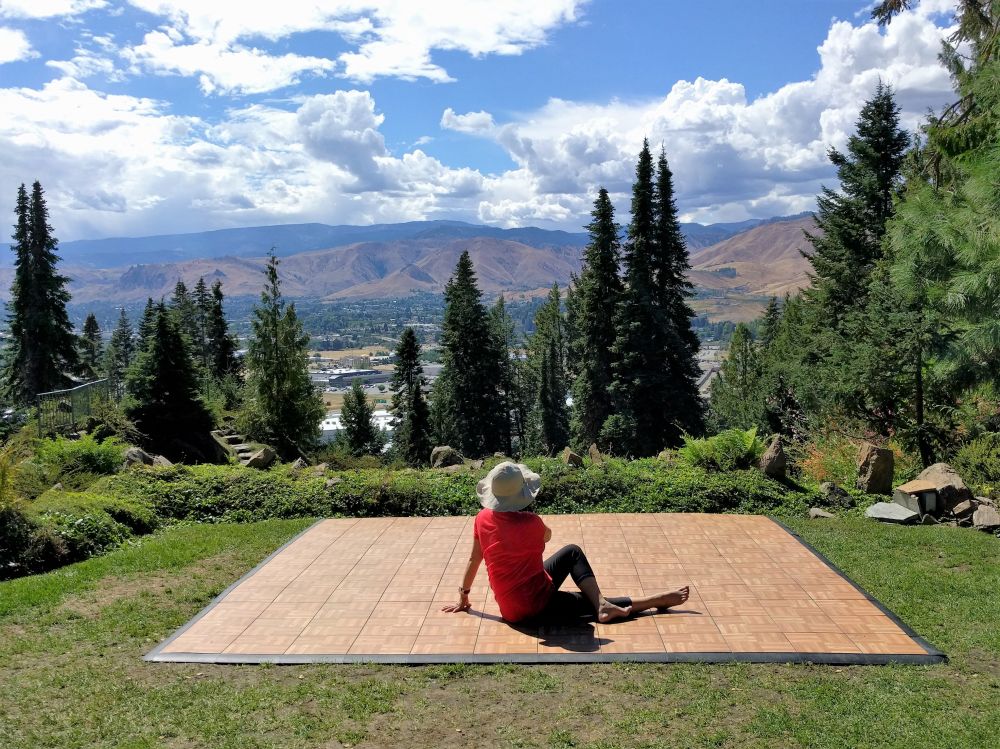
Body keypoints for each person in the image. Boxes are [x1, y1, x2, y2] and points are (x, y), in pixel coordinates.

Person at [442, 461, 690, 624]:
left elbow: (474, 559)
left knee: (572, 556)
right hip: (536, 606)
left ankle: (603, 604)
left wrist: (464, 597)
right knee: (586, 595)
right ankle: (653, 600)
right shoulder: (531, 523)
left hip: (509, 607)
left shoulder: (482, 518)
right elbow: (547, 536)